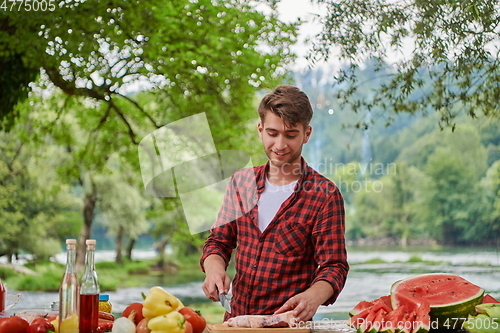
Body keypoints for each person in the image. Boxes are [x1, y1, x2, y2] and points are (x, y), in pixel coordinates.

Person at [200, 84, 349, 322]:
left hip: (287, 325)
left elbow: (335, 266)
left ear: (306, 134)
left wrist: (313, 296)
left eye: (290, 135)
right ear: (260, 130)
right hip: (235, 323)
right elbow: (218, 242)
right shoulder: (242, 182)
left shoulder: (325, 195)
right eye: (272, 133)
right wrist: (214, 269)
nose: (280, 145)